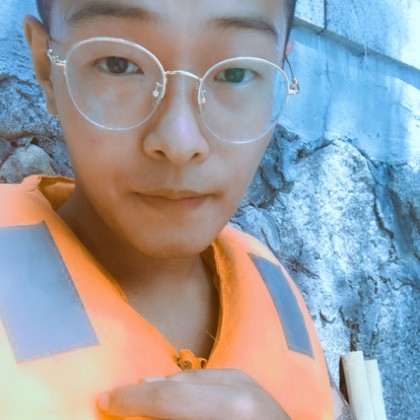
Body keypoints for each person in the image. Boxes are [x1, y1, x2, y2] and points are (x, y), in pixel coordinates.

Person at [0, 0, 354, 418]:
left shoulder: (280, 297)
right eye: (118, 65)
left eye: (235, 73)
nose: (180, 141)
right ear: (47, 69)